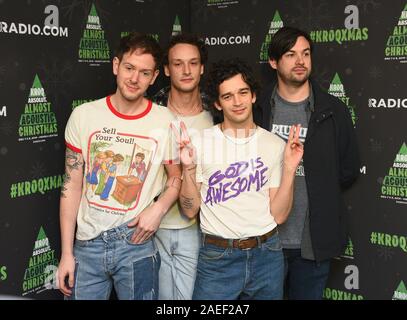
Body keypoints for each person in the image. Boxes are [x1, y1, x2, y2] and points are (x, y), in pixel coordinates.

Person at [57, 32, 181, 300]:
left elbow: (175, 179)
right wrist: (67, 253)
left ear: (155, 76)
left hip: (136, 243)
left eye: (144, 72)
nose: (135, 79)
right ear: (116, 65)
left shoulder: (165, 121)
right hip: (87, 245)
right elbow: (71, 187)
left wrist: (158, 209)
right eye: (129, 68)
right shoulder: (84, 115)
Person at [177, 58, 303, 300]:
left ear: (253, 96)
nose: (237, 102)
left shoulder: (274, 145)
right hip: (218, 258)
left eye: (243, 92)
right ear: (217, 103)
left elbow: (279, 215)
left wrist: (289, 169)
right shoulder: (201, 143)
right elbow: (189, 210)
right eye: (228, 96)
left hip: (267, 255)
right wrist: (189, 169)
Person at [255, 26, 360, 300]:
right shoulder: (256, 108)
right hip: (263, 241)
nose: (300, 61)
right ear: (274, 62)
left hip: (310, 245)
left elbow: (348, 169)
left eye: (305, 53)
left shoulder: (333, 110)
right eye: (290, 55)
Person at [152, 33, 213, 300]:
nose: (186, 71)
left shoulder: (219, 113)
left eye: (193, 63)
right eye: (178, 64)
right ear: (166, 69)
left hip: (202, 230)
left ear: (202, 67)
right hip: (153, 228)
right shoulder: (150, 113)